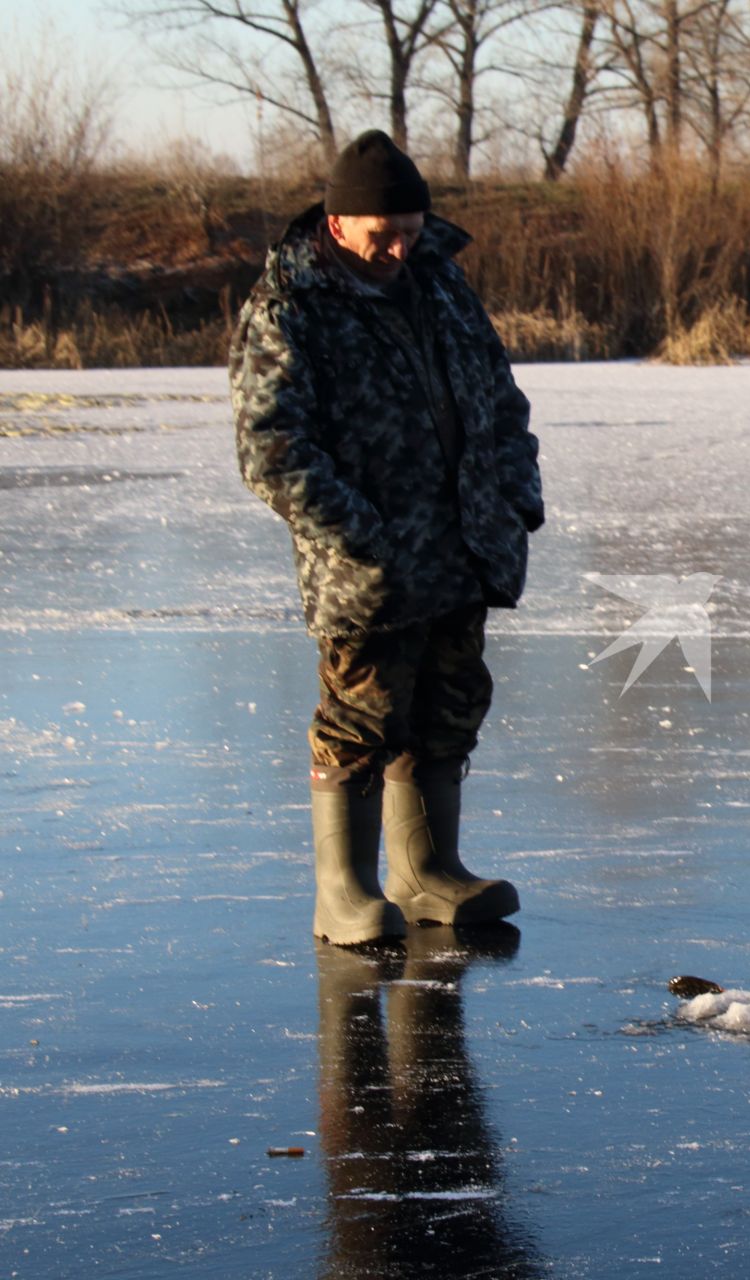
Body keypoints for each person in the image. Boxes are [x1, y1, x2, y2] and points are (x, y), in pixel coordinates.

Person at [232, 130, 542, 946]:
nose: (400, 245)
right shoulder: (290, 303)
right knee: (363, 715)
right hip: (367, 562)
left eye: (411, 226)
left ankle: (428, 872)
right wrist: (359, 533)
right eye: (384, 232)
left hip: (465, 539)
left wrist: (517, 501)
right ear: (338, 225)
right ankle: (345, 893)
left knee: (449, 706)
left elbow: (501, 402)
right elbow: (272, 447)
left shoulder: (440, 281)